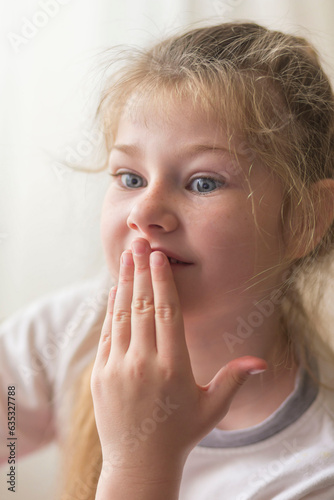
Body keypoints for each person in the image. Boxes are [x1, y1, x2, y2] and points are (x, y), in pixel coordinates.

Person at [1, 21, 334, 500]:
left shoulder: (312, 470)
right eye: (130, 178)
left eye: (203, 183)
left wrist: (139, 466)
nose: (145, 213)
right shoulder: (69, 329)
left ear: (303, 219)